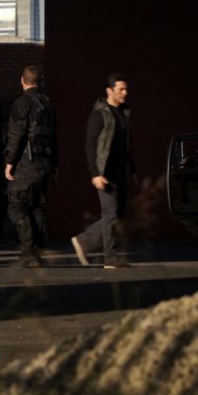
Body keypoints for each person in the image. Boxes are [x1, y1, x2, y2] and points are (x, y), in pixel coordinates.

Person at [71, 73, 135, 269]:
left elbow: (127, 146)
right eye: (120, 89)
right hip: (105, 172)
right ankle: (110, 257)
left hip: (122, 171)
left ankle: (84, 241)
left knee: (119, 215)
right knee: (110, 215)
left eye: (126, 89)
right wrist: (95, 173)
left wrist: (132, 170)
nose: (125, 93)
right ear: (110, 91)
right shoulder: (99, 113)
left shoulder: (124, 113)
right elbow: (90, 145)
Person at [4, 66, 58, 268]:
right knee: (35, 206)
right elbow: (54, 137)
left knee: (17, 207)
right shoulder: (47, 104)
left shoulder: (22, 102)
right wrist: (55, 165)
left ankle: (29, 253)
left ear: (23, 81)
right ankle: (39, 250)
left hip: (27, 164)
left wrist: (9, 162)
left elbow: (16, 134)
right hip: (45, 164)